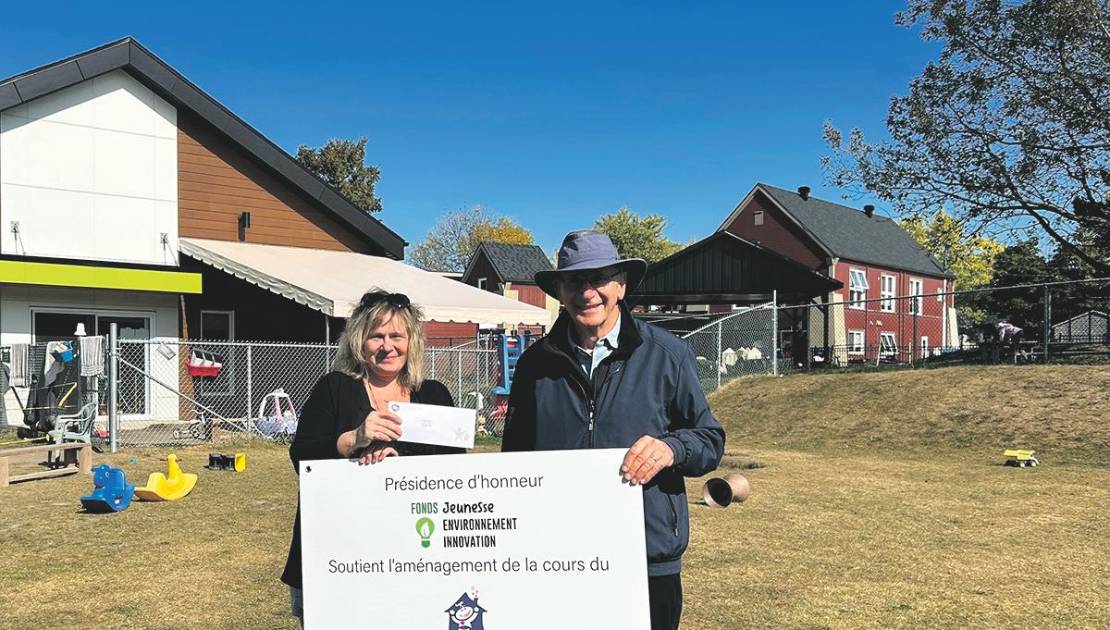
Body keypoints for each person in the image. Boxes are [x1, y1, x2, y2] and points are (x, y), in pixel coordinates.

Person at [501, 230, 725, 630]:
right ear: (560, 291)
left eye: (599, 278)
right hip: (559, 556)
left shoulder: (667, 354)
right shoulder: (536, 365)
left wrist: (672, 448)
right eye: (574, 281)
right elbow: (514, 458)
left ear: (621, 286)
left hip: (647, 555)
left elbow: (709, 439)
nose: (587, 292)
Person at [280, 290, 463, 626]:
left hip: (415, 556)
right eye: (376, 336)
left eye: (397, 336)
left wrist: (399, 460)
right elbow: (301, 456)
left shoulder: (434, 394)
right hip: (339, 553)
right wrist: (353, 440)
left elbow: (454, 473)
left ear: (412, 342)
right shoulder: (334, 388)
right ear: (359, 341)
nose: (387, 346)